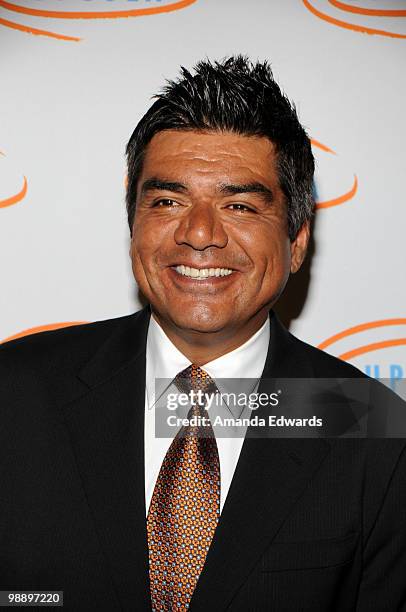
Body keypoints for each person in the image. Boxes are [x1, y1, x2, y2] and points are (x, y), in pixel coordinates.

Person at [1, 56, 405, 612]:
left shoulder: (370, 427)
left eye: (239, 205)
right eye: (167, 201)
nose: (198, 234)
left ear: (298, 241)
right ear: (132, 224)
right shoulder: (16, 393)